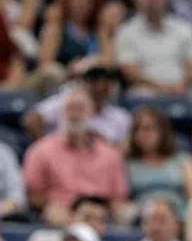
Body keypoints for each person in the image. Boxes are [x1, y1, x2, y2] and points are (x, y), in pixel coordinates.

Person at [24, 83, 129, 224]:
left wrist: (109, 213)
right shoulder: (41, 150)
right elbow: (32, 193)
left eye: (80, 109)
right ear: (61, 114)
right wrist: (48, 206)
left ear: (91, 113)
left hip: (102, 215)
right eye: (70, 109)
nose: (75, 114)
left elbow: (118, 197)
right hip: (60, 214)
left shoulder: (110, 154)